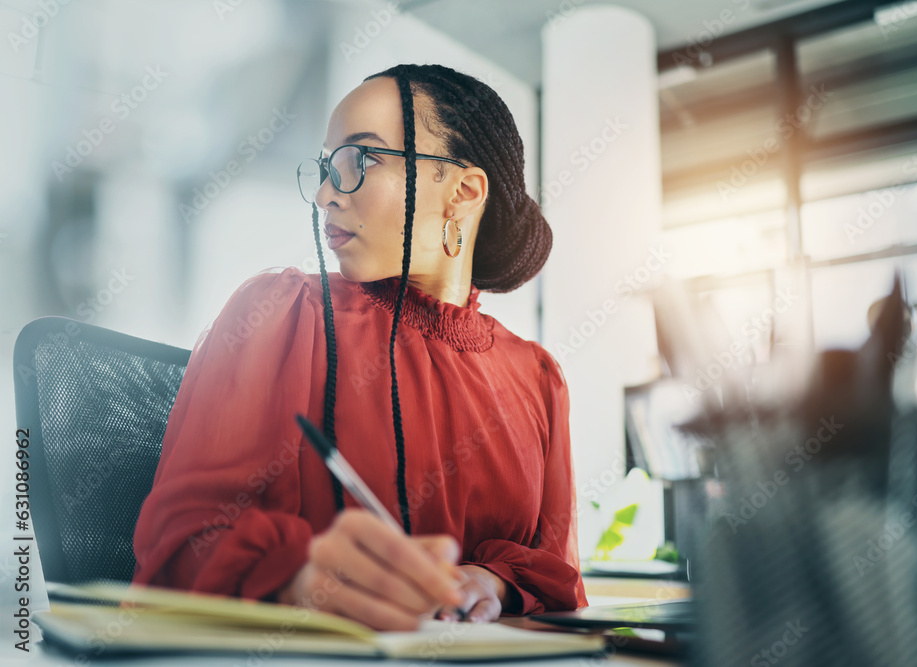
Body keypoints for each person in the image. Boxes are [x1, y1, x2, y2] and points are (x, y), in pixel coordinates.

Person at [131, 63, 588, 632]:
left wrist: (488, 581)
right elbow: (179, 545)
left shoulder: (537, 376)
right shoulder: (278, 316)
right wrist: (300, 580)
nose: (325, 194)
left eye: (359, 161)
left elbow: (555, 572)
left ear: (463, 192)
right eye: (326, 167)